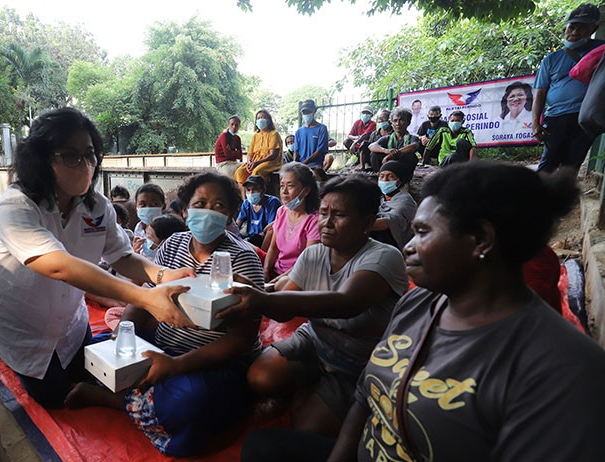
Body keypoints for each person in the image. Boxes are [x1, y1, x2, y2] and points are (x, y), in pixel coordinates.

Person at [240, 162, 605, 462]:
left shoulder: (564, 370)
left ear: (481, 239)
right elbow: (366, 393)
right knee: (261, 447)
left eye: (422, 232)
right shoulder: (421, 303)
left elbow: (346, 304)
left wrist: (264, 301)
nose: (408, 247)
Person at [0, 107, 195, 408]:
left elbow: (122, 256)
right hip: (18, 319)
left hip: (69, 319)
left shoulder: (96, 206)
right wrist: (145, 299)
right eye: (70, 155)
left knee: (93, 374)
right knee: (56, 397)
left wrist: (161, 275)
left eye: (89, 155)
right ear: (41, 158)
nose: (85, 165)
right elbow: (58, 265)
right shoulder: (15, 205)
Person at [64, 172, 264, 457]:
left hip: (212, 364)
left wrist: (176, 365)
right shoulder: (172, 246)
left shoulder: (243, 258)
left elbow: (241, 340)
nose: (208, 212)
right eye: (201, 203)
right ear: (185, 210)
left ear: (231, 213)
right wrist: (122, 335)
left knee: (187, 403)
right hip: (160, 345)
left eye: (219, 206)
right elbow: (145, 299)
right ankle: (139, 390)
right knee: (89, 353)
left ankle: (112, 398)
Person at [219, 176, 408, 437]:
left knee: (308, 428)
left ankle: (315, 390)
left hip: (359, 359)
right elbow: (283, 303)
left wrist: (261, 298)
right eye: (323, 213)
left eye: (339, 215)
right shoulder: (314, 254)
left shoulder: (384, 256)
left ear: (367, 222)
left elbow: (347, 303)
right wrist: (252, 293)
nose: (327, 223)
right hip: (316, 339)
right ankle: (308, 383)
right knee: (260, 378)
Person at [533, 3, 603, 173]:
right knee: (548, 163)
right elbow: (540, 93)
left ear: (593, 28)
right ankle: (536, 198)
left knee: (571, 165)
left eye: (582, 28)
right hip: (556, 117)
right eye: (572, 27)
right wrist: (536, 123)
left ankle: (563, 198)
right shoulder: (551, 59)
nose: (575, 32)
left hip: (585, 117)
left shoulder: (601, 51)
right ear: (565, 28)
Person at [265, 162, 320, 291]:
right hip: (276, 270)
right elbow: (273, 248)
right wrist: (265, 272)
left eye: (290, 186)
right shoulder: (281, 211)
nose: (284, 191)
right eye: (282, 185)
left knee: (281, 285)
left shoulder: (314, 220)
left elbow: (308, 263)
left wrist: (274, 282)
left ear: (306, 190)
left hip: (297, 275)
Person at [368, 161, 417, 250]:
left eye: (390, 176)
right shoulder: (381, 198)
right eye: (381, 176)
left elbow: (389, 222)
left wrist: (354, 226)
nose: (384, 180)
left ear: (399, 181)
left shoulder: (405, 200)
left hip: (393, 246)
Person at [234, 109, 283, 185]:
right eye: (258, 118)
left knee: (256, 171)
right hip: (255, 161)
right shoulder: (256, 136)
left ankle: (258, 193)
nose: (260, 120)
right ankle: (244, 196)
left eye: (263, 117)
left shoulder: (274, 134)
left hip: (270, 162)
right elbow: (250, 153)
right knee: (240, 172)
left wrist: (257, 163)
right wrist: (249, 162)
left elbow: (273, 155)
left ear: (268, 120)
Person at [368, 107, 420, 174]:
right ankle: (380, 175)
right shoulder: (388, 138)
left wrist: (391, 155)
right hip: (386, 166)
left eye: (402, 120)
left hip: (401, 168)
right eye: (395, 121)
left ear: (408, 122)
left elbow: (413, 146)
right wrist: (386, 150)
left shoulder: (412, 137)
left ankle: (405, 180)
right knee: (374, 153)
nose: (398, 124)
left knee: (411, 156)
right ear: (392, 123)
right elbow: (371, 146)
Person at [236, 175, 282, 249]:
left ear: (263, 190)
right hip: (250, 237)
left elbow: (270, 230)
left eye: (255, 190)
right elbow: (237, 224)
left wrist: (250, 241)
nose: (251, 193)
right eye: (248, 190)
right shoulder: (247, 204)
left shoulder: (272, 203)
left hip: (264, 239)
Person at [294, 99, 332, 171]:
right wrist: (295, 164)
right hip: (301, 164)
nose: (306, 114)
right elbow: (296, 151)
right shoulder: (298, 131)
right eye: (304, 112)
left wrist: (304, 163)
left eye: (308, 112)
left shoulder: (322, 128)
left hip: (316, 164)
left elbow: (319, 150)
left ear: (314, 111)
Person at [132, 183, 166, 260]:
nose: (148, 208)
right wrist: (135, 253)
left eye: (154, 204)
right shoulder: (138, 228)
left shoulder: (170, 228)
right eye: (143, 205)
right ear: (136, 206)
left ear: (164, 206)